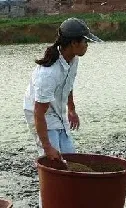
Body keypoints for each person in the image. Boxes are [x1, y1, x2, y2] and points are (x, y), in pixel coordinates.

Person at [23, 18, 102, 160]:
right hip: (41, 113)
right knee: (53, 158)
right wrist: (47, 147)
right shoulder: (48, 74)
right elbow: (38, 113)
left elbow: (68, 84)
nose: (87, 45)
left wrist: (71, 109)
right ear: (73, 43)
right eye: (85, 41)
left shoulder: (73, 59)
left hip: (56, 108)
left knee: (70, 156)